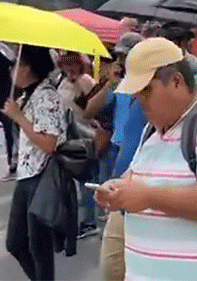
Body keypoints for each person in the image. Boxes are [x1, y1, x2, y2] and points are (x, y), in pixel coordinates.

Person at [95, 38, 197, 280]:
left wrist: (148, 196)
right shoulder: (153, 128)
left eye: (146, 89)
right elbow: (138, 176)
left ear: (176, 82)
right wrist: (118, 189)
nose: (139, 98)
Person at [83, 33, 147, 281]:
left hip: (136, 159)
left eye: (125, 55)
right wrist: (109, 84)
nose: (121, 61)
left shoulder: (146, 89)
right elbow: (87, 109)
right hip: (114, 150)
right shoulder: (118, 84)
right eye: (119, 56)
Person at [1, 45, 66, 281]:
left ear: (28, 68)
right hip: (26, 175)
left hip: (42, 176)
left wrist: (19, 117)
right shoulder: (27, 95)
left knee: (40, 248)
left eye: (15, 64)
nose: (12, 70)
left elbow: (50, 143)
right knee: (16, 243)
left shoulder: (47, 96)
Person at [56, 51, 99, 240]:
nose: (69, 68)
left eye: (72, 64)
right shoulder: (61, 81)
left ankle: (90, 221)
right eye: (65, 64)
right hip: (66, 135)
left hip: (85, 134)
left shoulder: (86, 81)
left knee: (85, 180)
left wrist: (80, 88)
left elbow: (95, 107)